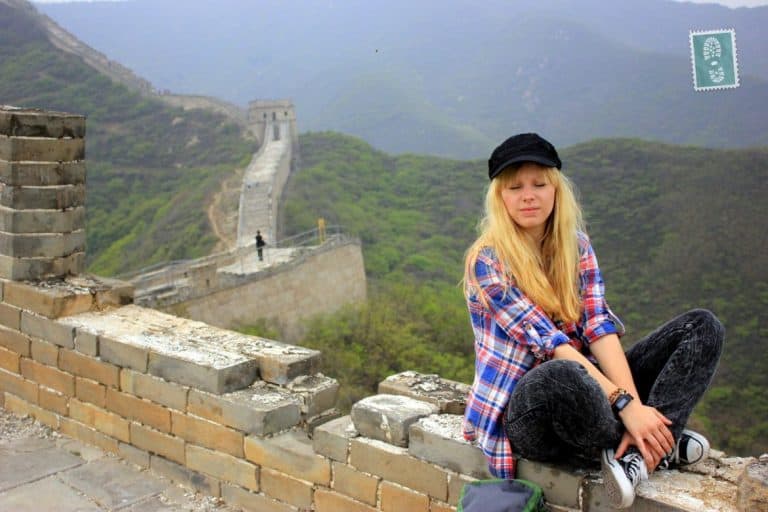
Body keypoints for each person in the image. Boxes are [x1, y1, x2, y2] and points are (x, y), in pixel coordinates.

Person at [461, 133, 724, 509]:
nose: (528, 195)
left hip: (590, 390)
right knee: (562, 375)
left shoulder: (575, 245)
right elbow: (552, 346)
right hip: (531, 411)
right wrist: (627, 406)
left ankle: (638, 452)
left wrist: (630, 403)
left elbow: (598, 326)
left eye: (539, 184)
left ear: (556, 190)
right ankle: (662, 441)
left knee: (701, 327)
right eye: (515, 187)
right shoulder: (488, 261)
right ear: (500, 198)